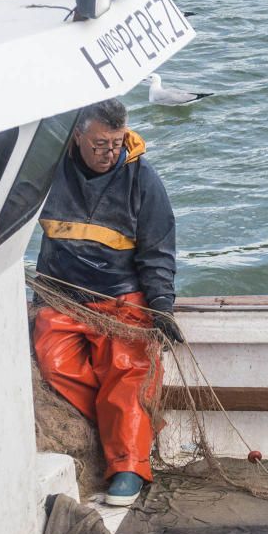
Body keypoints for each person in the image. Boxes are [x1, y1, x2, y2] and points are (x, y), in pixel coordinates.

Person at [33, 98, 183, 506]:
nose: (109, 153)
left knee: (129, 371)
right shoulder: (46, 164)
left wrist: (162, 305)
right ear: (77, 135)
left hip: (122, 295)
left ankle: (129, 464)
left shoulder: (143, 178)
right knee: (52, 362)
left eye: (117, 143)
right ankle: (110, 430)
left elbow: (157, 251)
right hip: (60, 293)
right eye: (100, 143)